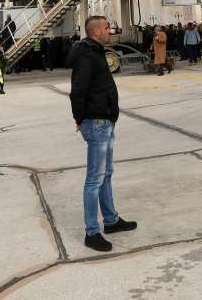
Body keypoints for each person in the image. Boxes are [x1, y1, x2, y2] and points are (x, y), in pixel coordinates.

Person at [69, 15, 136, 252]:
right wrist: (80, 118)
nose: (111, 30)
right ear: (96, 31)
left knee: (106, 173)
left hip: (105, 120)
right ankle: (92, 232)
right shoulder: (87, 56)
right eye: (107, 27)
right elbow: (77, 91)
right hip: (96, 121)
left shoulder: (96, 51)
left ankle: (111, 220)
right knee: (94, 178)